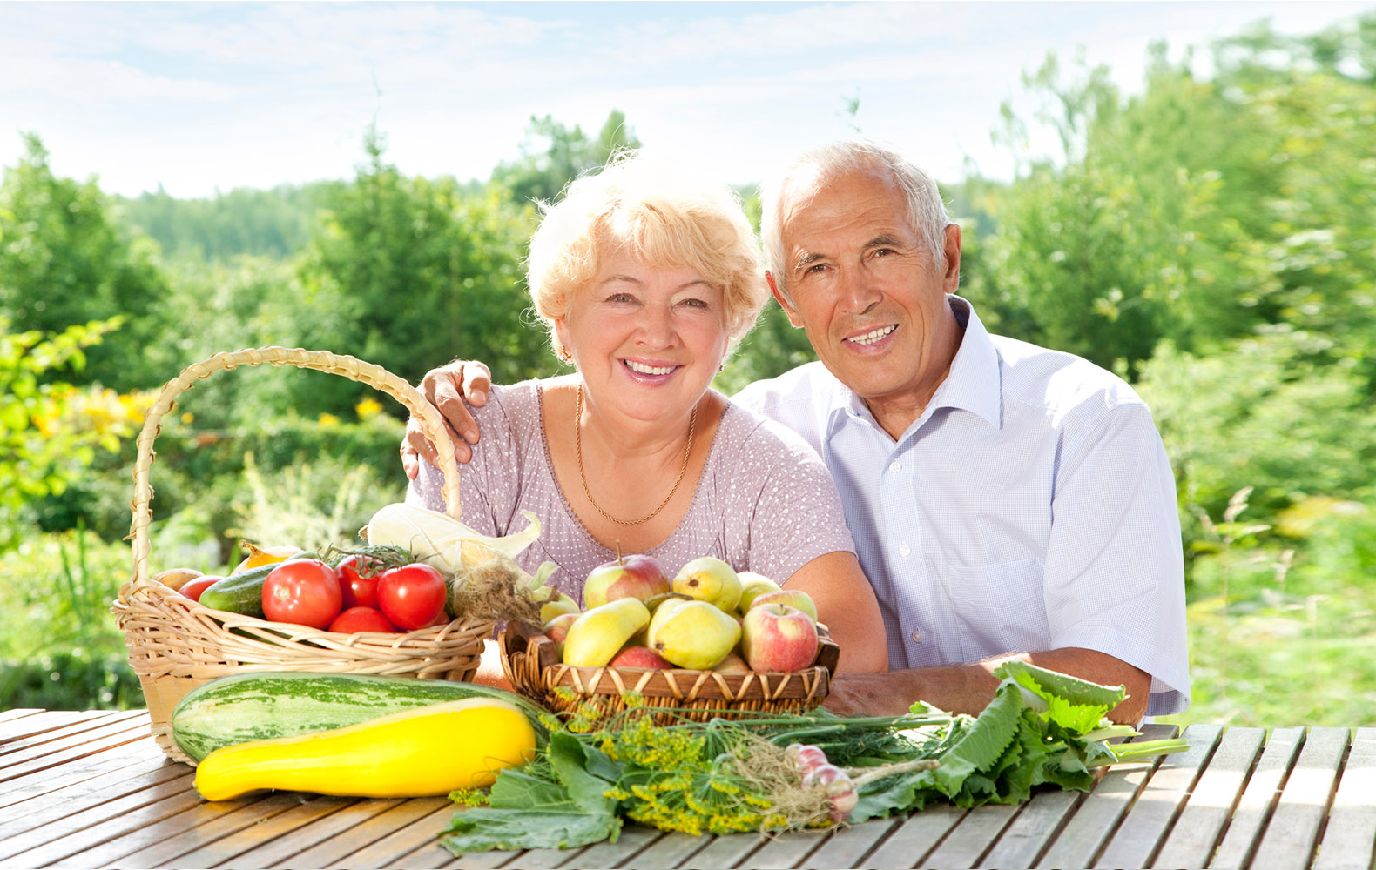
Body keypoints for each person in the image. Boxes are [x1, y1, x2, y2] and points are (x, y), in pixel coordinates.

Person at [407, 142, 1189, 723]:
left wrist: (862, 699)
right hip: (839, 788)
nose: (855, 298)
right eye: (817, 268)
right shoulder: (775, 420)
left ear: (947, 256)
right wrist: (447, 404)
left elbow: (1113, 685)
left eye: (881, 251)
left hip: (1070, 793)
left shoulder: (1085, 419)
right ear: (785, 298)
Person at [405, 153, 888, 681]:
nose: (657, 333)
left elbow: (857, 653)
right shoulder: (481, 436)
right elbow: (415, 632)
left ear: (728, 329)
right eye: (622, 296)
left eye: (692, 303)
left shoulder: (770, 467)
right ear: (563, 323)